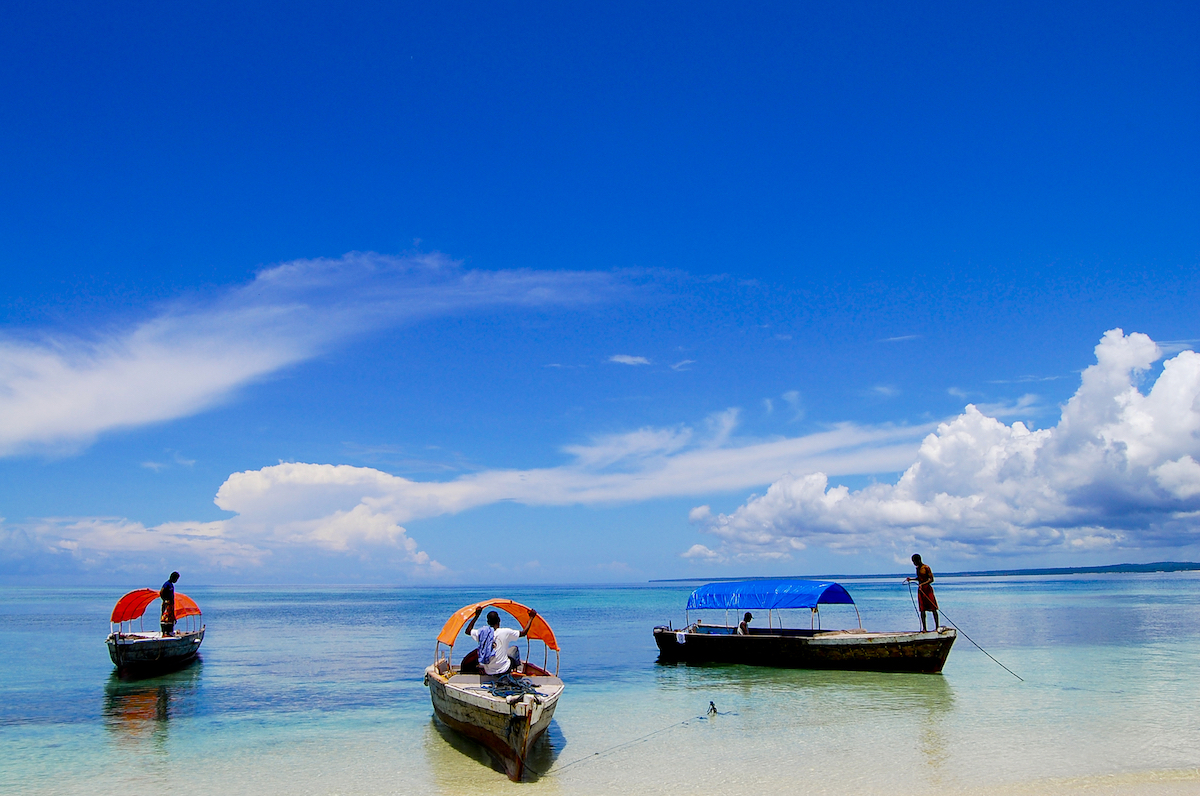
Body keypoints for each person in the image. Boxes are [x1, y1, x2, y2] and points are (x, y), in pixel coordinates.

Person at [463, 606, 538, 676]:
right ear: (499, 620)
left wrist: (477, 615)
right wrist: (531, 617)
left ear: (488, 622)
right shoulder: (505, 632)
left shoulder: (483, 632)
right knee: (514, 649)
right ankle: (516, 670)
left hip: (489, 671)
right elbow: (524, 633)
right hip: (504, 669)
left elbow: (468, 631)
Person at [905, 554, 939, 631]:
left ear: (918, 560)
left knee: (933, 608)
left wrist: (922, 584)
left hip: (927, 590)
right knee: (922, 610)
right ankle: (924, 629)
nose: (914, 563)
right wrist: (911, 579)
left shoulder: (926, 567)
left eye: (914, 562)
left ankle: (937, 627)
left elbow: (931, 579)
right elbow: (919, 578)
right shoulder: (917, 568)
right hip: (921, 591)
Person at [159, 571, 179, 637]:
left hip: (171, 604)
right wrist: (165, 600)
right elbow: (161, 591)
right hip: (167, 603)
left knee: (170, 618)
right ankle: (165, 632)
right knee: (165, 618)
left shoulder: (171, 585)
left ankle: (169, 632)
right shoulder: (167, 584)